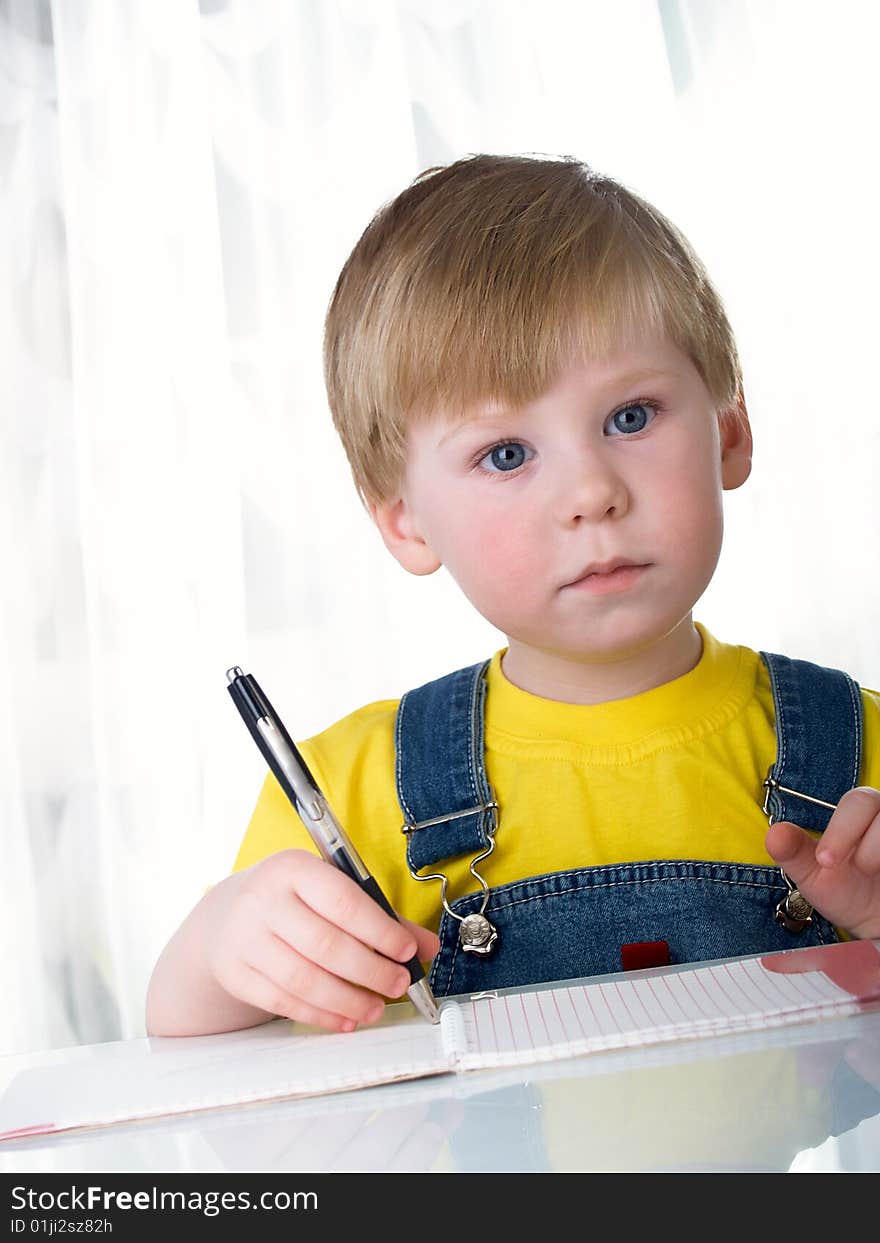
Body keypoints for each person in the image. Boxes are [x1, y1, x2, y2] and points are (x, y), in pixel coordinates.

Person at [146, 153, 880, 1039]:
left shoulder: (859, 753)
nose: (591, 491)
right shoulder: (357, 791)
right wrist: (215, 950)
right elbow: (198, 1050)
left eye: (631, 416)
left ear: (729, 431)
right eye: (506, 454)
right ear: (407, 522)